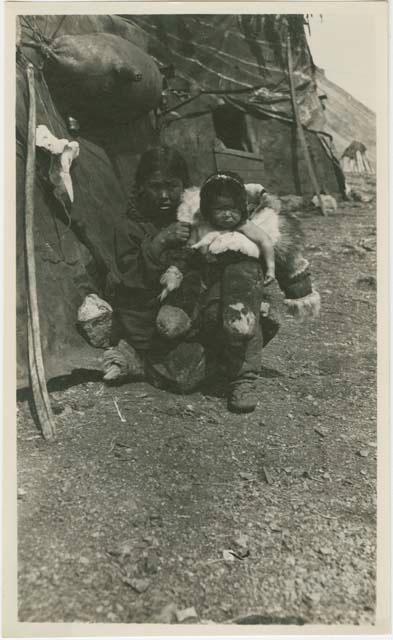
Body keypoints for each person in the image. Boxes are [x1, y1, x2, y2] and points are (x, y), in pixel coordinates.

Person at [102, 146, 319, 413]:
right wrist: (160, 242)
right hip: (152, 320)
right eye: (154, 186)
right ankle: (144, 361)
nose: (164, 195)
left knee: (239, 307)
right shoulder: (129, 226)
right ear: (141, 187)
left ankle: (242, 377)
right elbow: (129, 280)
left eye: (172, 186)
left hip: (199, 307)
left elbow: (247, 226)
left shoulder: (198, 212)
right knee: (185, 376)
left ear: (184, 186)